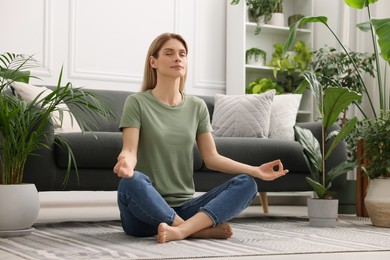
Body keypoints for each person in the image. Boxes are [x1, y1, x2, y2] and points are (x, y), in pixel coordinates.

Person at [113, 32, 288, 243]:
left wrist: (256, 171)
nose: (178, 58)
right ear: (154, 62)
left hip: (186, 207)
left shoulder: (197, 106)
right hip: (143, 215)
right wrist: (126, 163)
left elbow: (212, 157)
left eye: (182, 54)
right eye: (169, 53)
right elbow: (130, 151)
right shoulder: (137, 102)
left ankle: (182, 229)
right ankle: (191, 230)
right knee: (131, 181)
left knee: (248, 184)